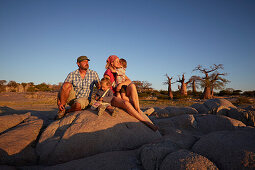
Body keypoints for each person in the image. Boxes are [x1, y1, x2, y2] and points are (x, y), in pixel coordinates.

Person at [104, 55, 158, 131]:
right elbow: (106, 87)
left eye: (119, 61)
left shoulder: (119, 70)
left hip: (121, 91)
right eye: (117, 61)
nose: (119, 62)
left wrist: (121, 84)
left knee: (132, 85)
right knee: (126, 103)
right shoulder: (108, 73)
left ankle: (138, 110)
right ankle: (146, 122)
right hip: (113, 96)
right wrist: (117, 90)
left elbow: (129, 81)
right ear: (112, 63)